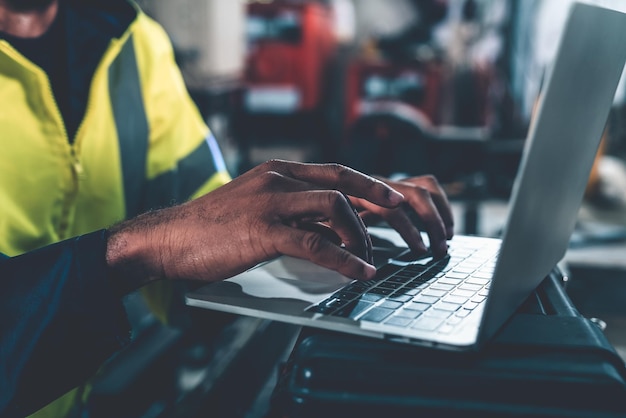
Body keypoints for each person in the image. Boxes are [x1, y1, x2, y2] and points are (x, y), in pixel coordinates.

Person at [0, 0, 453, 416]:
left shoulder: (131, 39)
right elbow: (166, 238)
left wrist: (292, 220)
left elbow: (204, 219)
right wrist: (139, 249)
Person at [1, 159, 455, 418]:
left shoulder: (134, 39)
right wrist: (142, 247)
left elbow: (206, 205)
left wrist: (302, 207)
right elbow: (174, 231)